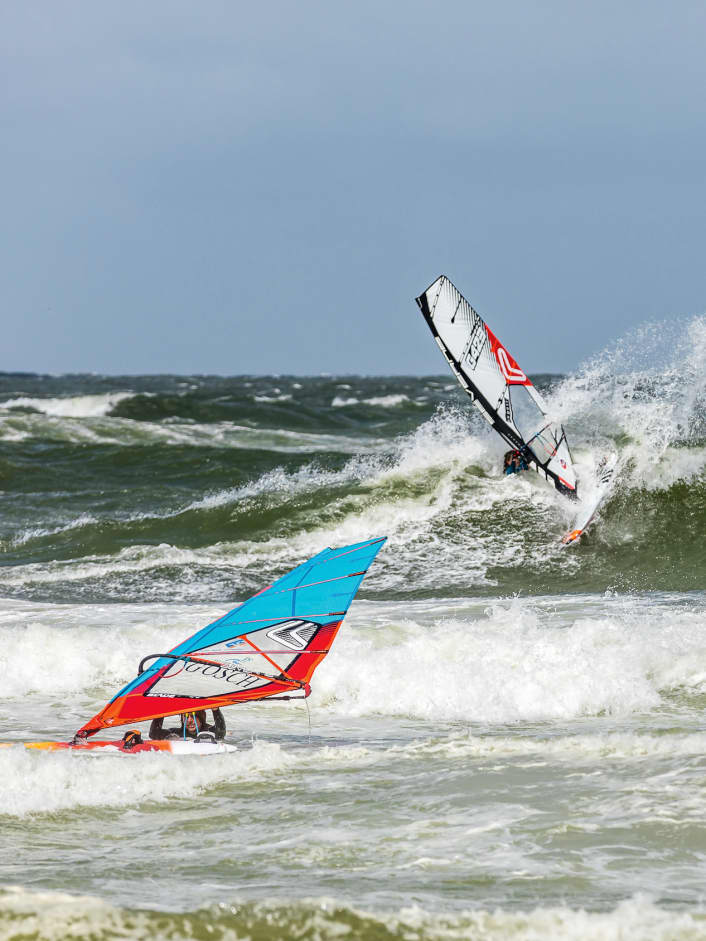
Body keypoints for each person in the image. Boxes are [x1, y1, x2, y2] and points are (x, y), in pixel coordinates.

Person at [149, 708, 226, 741]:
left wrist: (215, 710)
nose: (189, 720)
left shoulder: (209, 731)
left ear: (202, 717)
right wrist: (162, 710)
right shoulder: (176, 734)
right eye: (185, 716)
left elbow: (220, 733)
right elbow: (153, 734)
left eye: (193, 716)